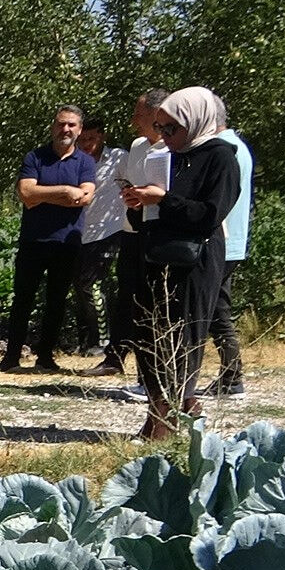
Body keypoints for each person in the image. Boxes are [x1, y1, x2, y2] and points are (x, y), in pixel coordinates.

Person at [121, 86, 242, 441]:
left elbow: (209, 215)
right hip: (157, 256)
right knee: (150, 336)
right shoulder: (169, 156)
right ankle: (164, 412)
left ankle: (167, 421)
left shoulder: (221, 158)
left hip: (195, 263)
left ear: (195, 122)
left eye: (171, 128)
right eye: (160, 128)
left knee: (182, 337)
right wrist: (138, 203)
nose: (164, 136)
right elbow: (158, 212)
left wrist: (163, 199)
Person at [0, 105, 97, 373]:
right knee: (22, 300)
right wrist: (65, 191)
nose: (65, 129)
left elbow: (84, 197)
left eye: (71, 125)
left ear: (80, 130)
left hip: (66, 243)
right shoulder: (35, 157)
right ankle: (11, 358)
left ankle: (45, 358)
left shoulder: (86, 162)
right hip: (33, 240)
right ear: (53, 127)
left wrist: (43, 195)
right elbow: (26, 193)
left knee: (56, 301)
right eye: (61, 124)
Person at [97, 89, 174, 381]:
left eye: (138, 115)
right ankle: (116, 357)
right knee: (127, 295)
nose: (133, 121)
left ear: (157, 114)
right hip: (131, 229)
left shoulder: (174, 147)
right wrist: (131, 195)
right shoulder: (138, 145)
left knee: (155, 302)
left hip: (159, 232)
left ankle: (153, 374)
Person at [73, 111, 130, 364]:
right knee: (80, 287)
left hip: (110, 229)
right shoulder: (74, 160)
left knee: (93, 284)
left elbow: (131, 185)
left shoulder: (118, 158)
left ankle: (103, 341)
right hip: (80, 232)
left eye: (92, 139)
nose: (87, 144)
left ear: (102, 137)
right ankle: (86, 338)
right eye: (83, 139)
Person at [207, 116, 255, 396]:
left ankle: (232, 377)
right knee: (218, 309)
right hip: (231, 240)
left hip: (222, 241)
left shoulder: (223, 149)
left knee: (215, 312)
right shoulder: (237, 145)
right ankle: (231, 375)